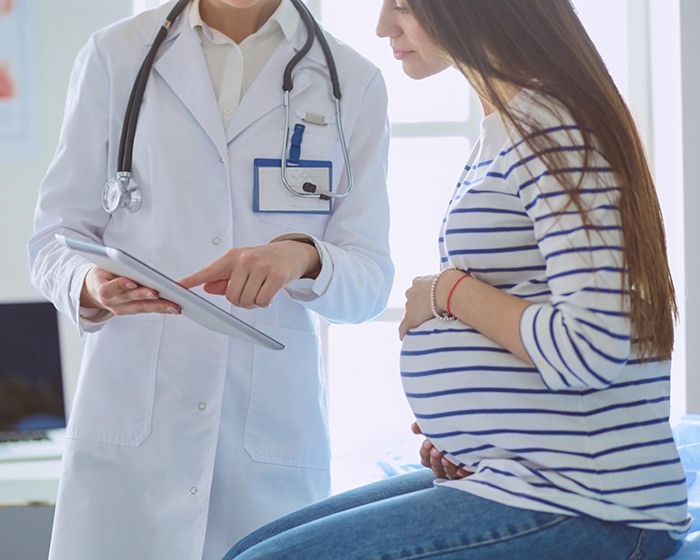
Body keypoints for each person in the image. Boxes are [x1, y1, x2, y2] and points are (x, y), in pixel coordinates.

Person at [220, 0, 693, 558]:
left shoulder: (556, 130)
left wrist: (445, 292)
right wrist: (483, 441)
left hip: (591, 504)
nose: (382, 26)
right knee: (248, 548)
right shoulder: (510, 127)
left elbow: (591, 346)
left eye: (402, 5)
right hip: (527, 477)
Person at [27, 0, 393, 559]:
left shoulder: (352, 82)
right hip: (132, 427)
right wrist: (88, 282)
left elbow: (369, 281)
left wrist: (304, 257)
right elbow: (54, 237)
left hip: (265, 443)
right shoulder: (116, 54)